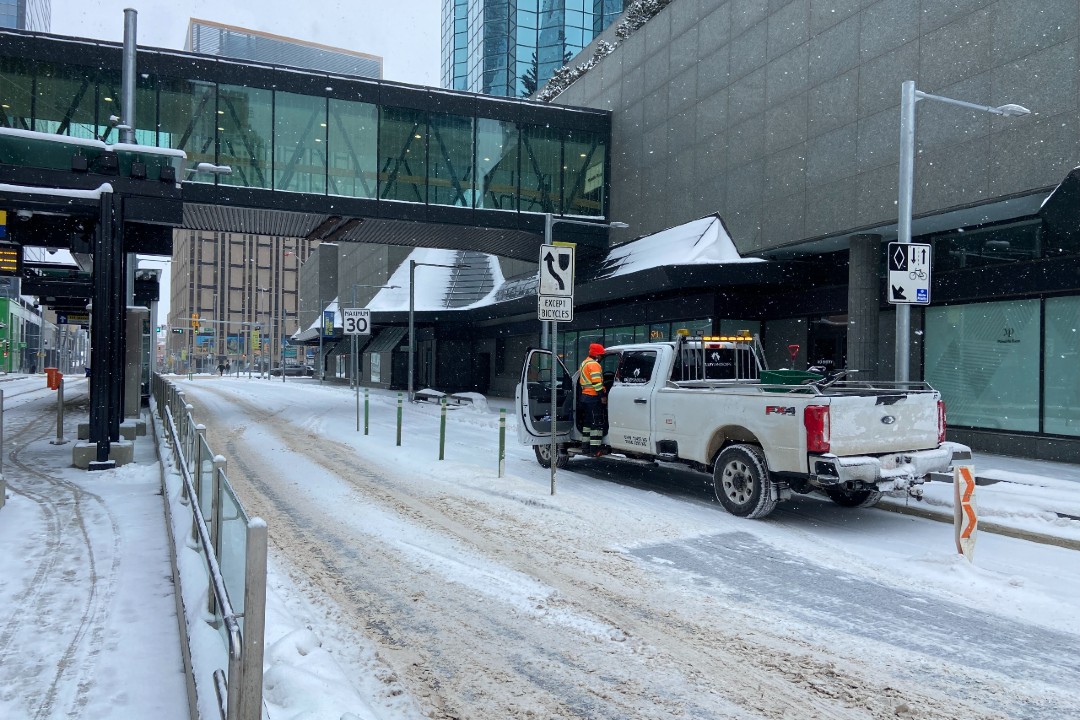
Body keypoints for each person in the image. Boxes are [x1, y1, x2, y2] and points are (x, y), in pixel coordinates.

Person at [578, 343, 607, 455]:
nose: (601, 358)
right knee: (597, 423)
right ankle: (595, 450)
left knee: (588, 423)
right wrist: (602, 396)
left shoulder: (584, 363)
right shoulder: (594, 365)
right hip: (593, 397)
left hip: (584, 397)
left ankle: (585, 447)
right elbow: (596, 383)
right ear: (597, 355)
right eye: (601, 355)